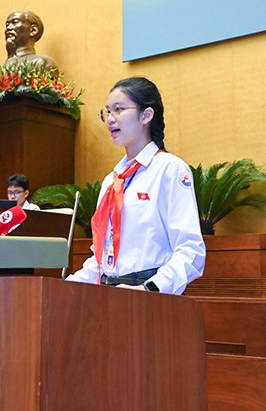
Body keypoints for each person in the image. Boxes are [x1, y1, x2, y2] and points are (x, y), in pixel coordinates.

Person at [66, 77, 205, 295]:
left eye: (118, 109)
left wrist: (149, 288)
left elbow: (191, 250)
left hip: (151, 296)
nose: (110, 119)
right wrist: (66, 286)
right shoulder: (111, 181)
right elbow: (103, 257)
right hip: (110, 294)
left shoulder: (169, 169)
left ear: (146, 115)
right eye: (107, 112)